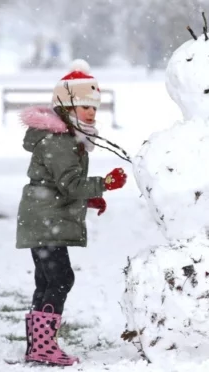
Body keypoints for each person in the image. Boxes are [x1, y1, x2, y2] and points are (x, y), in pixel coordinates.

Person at [15, 59, 126, 366]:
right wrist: (103, 184)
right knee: (61, 279)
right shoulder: (60, 140)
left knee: (47, 280)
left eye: (94, 106)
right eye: (84, 105)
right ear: (66, 104)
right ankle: (42, 345)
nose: (91, 112)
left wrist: (89, 199)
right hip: (45, 219)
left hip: (42, 215)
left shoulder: (64, 137)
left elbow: (58, 183)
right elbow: (69, 183)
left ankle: (38, 344)